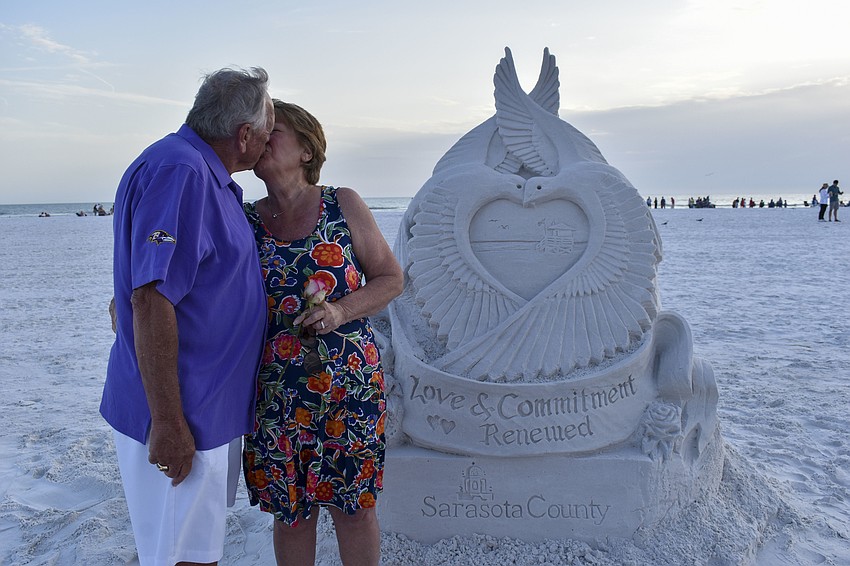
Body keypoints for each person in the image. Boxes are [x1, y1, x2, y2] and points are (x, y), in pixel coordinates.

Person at [100, 67, 274, 566]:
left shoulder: (199, 172)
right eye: (268, 131)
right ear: (244, 136)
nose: (268, 142)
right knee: (182, 558)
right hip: (183, 414)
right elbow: (152, 297)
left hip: (203, 409)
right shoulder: (183, 172)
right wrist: (169, 421)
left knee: (195, 552)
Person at [241, 100, 403, 566]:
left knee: (353, 508)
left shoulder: (341, 203)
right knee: (290, 514)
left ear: (307, 151)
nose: (261, 135)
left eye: (275, 130)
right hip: (276, 392)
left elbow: (391, 279)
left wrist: (339, 311)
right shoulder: (244, 220)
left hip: (347, 387)